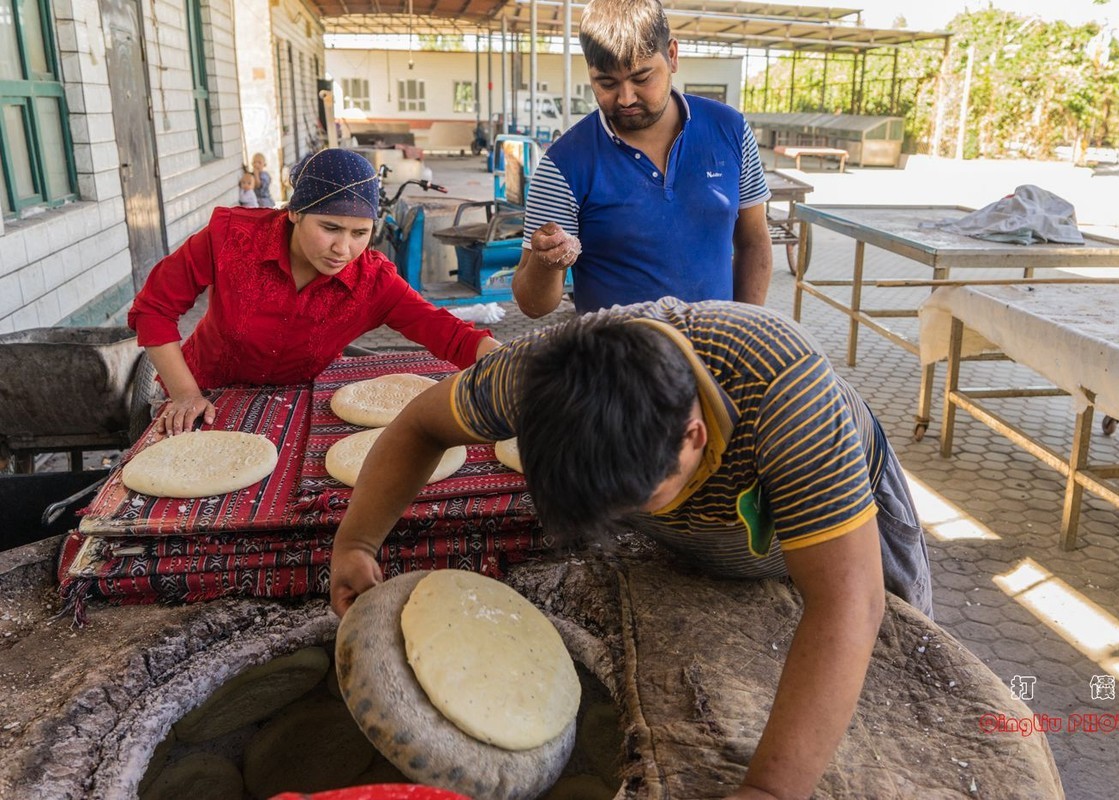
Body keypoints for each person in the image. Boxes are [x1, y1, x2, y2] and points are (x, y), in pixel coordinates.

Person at [329, 297, 932, 799]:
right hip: (711, 525)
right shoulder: (538, 377)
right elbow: (421, 424)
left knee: (897, 692)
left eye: (635, 504)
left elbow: (848, 605)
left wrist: (771, 789)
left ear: (694, 438)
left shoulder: (786, 397)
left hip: (847, 520)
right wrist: (357, 541)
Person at [128, 148, 500, 436]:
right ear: (294, 213)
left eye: (359, 233)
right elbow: (154, 309)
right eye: (330, 227)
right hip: (201, 395)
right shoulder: (231, 240)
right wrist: (185, 394)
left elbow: (452, 336)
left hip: (296, 404)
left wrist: (516, 368)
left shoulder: (372, 282)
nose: (343, 249)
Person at [511, 0, 774, 318]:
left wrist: (745, 331)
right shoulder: (563, 164)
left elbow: (754, 242)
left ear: (672, 56)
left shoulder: (730, 130)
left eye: (641, 78)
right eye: (606, 83)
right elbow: (532, 305)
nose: (625, 98)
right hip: (615, 363)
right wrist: (545, 262)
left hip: (714, 358)